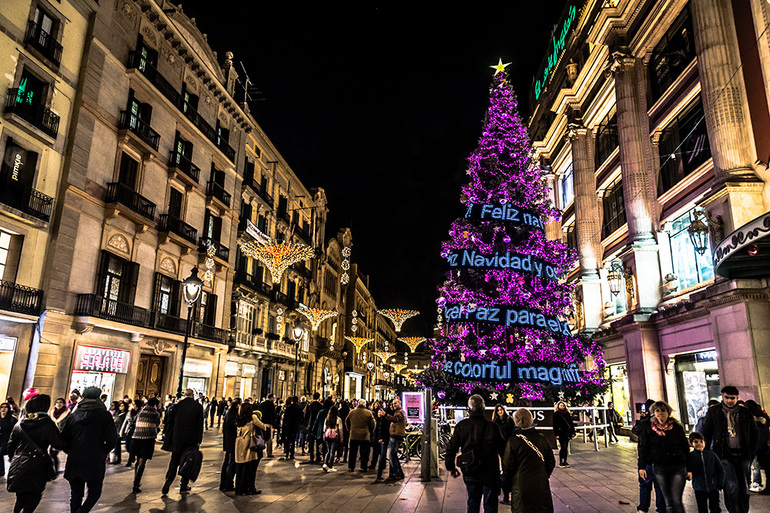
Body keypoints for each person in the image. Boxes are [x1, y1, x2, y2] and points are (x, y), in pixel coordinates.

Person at [61, 386, 118, 513]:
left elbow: (64, 438)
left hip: (75, 458)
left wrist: (71, 450)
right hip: (95, 458)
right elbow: (112, 439)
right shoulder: (105, 416)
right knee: (95, 492)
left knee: (76, 494)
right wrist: (103, 451)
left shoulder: (74, 415)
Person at [703, 386, 759, 513]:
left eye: (732, 398)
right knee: (731, 486)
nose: (729, 401)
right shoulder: (715, 412)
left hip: (743, 454)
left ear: (737, 398)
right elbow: (707, 432)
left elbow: (754, 434)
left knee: (744, 488)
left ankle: (743, 510)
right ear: (722, 396)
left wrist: (751, 453)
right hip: (724, 455)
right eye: (727, 397)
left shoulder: (745, 412)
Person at [446, 394, 505, 513]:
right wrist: (506, 471)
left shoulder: (462, 426)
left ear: (469, 409)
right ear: (483, 409)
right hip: (490, 473)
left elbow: (451, 448)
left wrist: (451, 467)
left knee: (472, 503)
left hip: (470, 470)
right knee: (491, 506)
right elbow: (503, 450)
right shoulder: (493, 427)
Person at [6, 393, 63, 513]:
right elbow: (58, 444)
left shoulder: (20, 424)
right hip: (38, 465)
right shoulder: (48, 424)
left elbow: (10, 446)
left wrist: (15, 458)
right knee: (34, 495)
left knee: (20, 497)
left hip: (19, 462)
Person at [637, 401, 691, 513]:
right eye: (657, 411)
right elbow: (644, 448)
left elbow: (685, 449)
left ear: (668, 412)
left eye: (663, 410)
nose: (660, 413)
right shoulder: (649, 428)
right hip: (659, 467)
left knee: (676, 500)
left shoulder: (676, 428)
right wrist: (641, 466)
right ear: (654, 413)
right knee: (668, 501)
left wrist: (689, 468)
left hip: (677, 466)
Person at [501, 408, 556, 513]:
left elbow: (508, 466)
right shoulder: (541, 438)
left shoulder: (513, 441)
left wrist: (508, 482)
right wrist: (544, 474)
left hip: (521, 484)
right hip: (540, 482)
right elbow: (550, 462)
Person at [161, 389, 204, 495]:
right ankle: (183, 485)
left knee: (174, 461)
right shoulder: (198, 407)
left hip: (177, 437)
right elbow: (200, 425)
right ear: (193, 395)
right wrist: (199, 439)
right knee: (188, 461)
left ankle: (168, 480)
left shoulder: (177, 406)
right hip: (191, 439)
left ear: (184, 395)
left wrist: (168, 435)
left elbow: (170, 422)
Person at [633, 399, 668, 513]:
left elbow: (637, 433)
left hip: (651, 461)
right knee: (655, 486)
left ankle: (645, 508)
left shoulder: (647, 424)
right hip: (654, 461)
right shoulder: (653, 424)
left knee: (647, 486)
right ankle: (658, 508)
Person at [234, 402, 266, 495]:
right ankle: (246, 488)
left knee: (240, 466)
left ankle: (238, 489)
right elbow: (263, 426)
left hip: (239, 443)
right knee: (247, 467)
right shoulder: (253, 417)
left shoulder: (239, 417)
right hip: (248, 444)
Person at [689, 431, 726, 513]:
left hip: (713, 487)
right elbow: (688, 468)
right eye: (696, 442)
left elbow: (720, 469)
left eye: (701, 441)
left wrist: (720, 484)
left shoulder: (712, 455)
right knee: (702, 508)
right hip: (699, 488)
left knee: (715, 507)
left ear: (705, 442)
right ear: (691, 444)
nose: (699, 444)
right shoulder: (691, 457)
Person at [130, 397, 161, 493]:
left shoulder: (140, 412)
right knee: (142, 461)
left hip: (136, 438)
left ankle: (136, 481)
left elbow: (134, 422)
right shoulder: (155, 414)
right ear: (155, 405)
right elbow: (157, 425)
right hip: (147, 439)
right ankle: (136, 483)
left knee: (138, 459)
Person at [744, 400, 770, 495]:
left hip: (754, 447)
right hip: (764, 447)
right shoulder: (764, 419)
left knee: (753, 466)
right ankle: (765, 485)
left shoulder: (750, 420)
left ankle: (755, 483)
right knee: (766, 468)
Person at [492, 404, 516, 505]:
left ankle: (508, 493)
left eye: (501, 409)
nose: (500, 411)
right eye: (498, 410)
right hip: (500, 447)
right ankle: (503, 492)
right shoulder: (495, 422)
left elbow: (512, 431)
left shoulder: (509, 420)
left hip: (508, 446)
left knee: (508, 469)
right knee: (501, 469)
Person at [346, 399, 375, 472]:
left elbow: (347, 421)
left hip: (353, 434)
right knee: (364, 453)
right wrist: (370, 431)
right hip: (364, 435)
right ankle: (363, 467)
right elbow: (373, 424)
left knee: (352, 452)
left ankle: (351, 467)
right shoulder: (369, 413)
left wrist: (350, 429)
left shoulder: (352, 412)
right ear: (365, 405)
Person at [384, 397, 407, 481]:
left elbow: (396, 420)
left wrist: (386, 415)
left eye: (395, 403)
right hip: (396, 435)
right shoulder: (399, 412)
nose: (394, 405)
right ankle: (399, 473)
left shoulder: (399, 412)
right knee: (394, 456)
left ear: (399, 403)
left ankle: (397, 473)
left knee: (391, 456)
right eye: (393, 403)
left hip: (396, 436)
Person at [47, 398, 69, 473]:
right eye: (57, 402)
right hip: (52, 436)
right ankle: (53, 470)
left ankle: (54, 470)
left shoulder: (67, 413)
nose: (58, 404)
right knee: (52, 454)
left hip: (62, 436)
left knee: (54, 453)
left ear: (63, 404)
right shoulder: (52, 413)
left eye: (60, 402)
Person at [553, 401, 576, 469]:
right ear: (558, 406)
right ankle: (561, 461)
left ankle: (565, 461)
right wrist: (556, 434)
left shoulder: (567, 413)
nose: (562, 407)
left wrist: (572, 432)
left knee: (566, 447)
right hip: (561, 432)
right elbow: (555, 425)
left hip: (567, 432)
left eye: (563, 405)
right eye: (561, 405)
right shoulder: (556, 414)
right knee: (563, 446)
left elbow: (571, 424)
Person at [374, 399, 392, 480]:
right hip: (385, 437)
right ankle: (379, 474)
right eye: (391, 405)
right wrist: (380, 437)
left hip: (391, 436)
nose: (392, 406)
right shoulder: (385, 414)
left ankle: (391, 473)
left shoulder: (392, 413)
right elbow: (380, 427)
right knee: (383, 455)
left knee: (391, 456)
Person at [322, 405, 343, 472]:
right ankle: (330, 466)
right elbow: (340, 429)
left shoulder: (327, 419)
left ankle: (325, 463)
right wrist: (341, 437)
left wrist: (324, 436)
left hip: (328, 436)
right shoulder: (338, 419)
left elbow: (324, 429)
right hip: (335, 436)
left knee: (328, 450)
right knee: (332, 451)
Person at [281, 396, 303, 460]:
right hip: (295, 425)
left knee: (288, 439)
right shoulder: (298, 408)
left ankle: (287, 453)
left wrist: (284, 424)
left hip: (289, 425)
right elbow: (301, 417)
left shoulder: (288, 407)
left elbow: (285, 417)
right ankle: (292, 454)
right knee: (293, 440)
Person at [0, 401, 18, 477]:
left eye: (5, 407)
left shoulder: (12, 419)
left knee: (3, 453)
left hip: (8, 440)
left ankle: (14, 471)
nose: (3, 409)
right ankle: (1, 471)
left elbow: (14, 430)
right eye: (2, 407)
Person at [257, 394, 276, 458]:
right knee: (269, 439)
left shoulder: (261, 404)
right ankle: (269, 453)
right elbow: (273, 415)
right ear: (271, 398)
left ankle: (259, 451)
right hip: (268, 423)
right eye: (274, 397)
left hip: (261, 422)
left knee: (261, 437)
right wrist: (274, 425)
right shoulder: (271, 404)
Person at [306, 393, 323, 463]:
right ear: (319, 397)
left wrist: (307, 424)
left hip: (311, 425)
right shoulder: (320, 405)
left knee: (311, 441)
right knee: (318, 441)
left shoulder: (309, 405)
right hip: (318, 425)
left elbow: (307, 415)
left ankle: (311, 457)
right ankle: (318, 456)